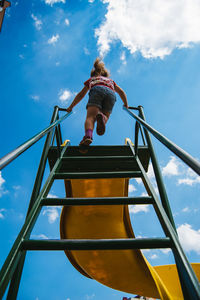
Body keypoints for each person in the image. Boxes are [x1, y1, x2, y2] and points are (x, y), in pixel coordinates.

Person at [66, 57, 129, 146]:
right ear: (106, 75)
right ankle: (103, 117)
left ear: (93, 75)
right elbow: (121, 92)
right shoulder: (111, 81)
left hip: (96, 90)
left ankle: (88, 136)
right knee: (106, 115)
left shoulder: (91, 80)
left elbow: (81, 95)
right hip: (111, 93)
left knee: (91, 117)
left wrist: (71, 106)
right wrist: (126, 104)